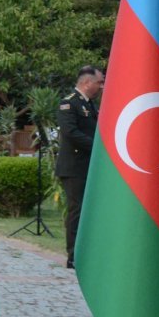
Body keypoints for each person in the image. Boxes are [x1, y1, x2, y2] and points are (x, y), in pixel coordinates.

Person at [55, 65, 104, 269]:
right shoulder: (69, 104)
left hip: (88, 167)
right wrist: (100, 148)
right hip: (74, 167)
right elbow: (71, 133)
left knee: (89, 211)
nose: (101, 87)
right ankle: (73, 255)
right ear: (86, 82)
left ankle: (88, 251)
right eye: (99, 82)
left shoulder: (90, 105)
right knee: (77, 210)